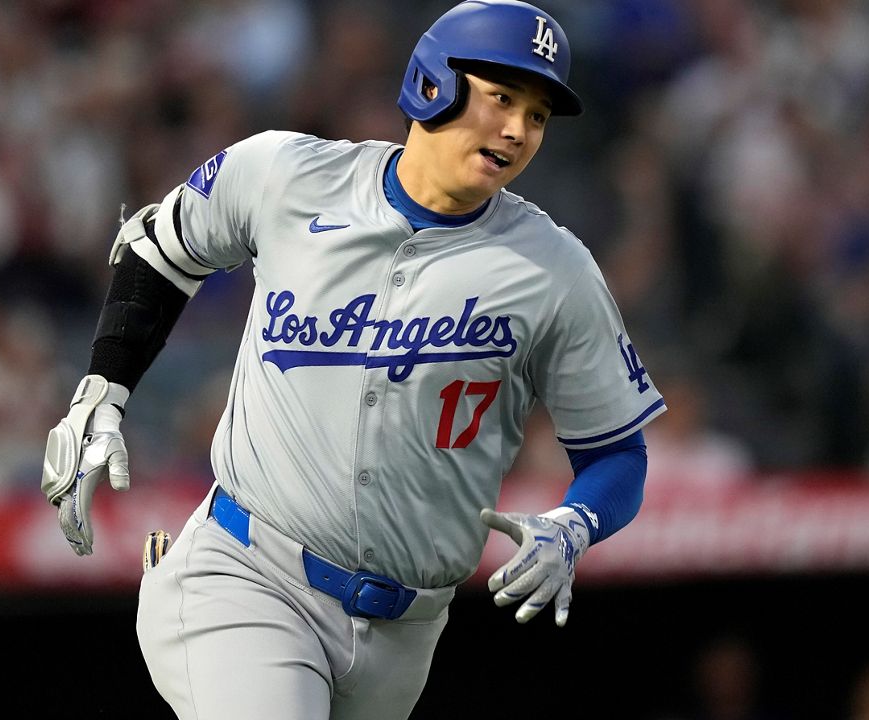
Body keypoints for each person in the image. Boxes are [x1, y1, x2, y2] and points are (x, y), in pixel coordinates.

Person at [38, 2, 666, 719]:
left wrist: (575, 525)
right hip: (249, 577)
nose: (519, 130)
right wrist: (102, 391)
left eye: (538, 115)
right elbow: (160, 248)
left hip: (406, 634)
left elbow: (619, 453)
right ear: (435, 83)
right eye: (501, 98)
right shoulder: (289, 175)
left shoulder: (554, 269)